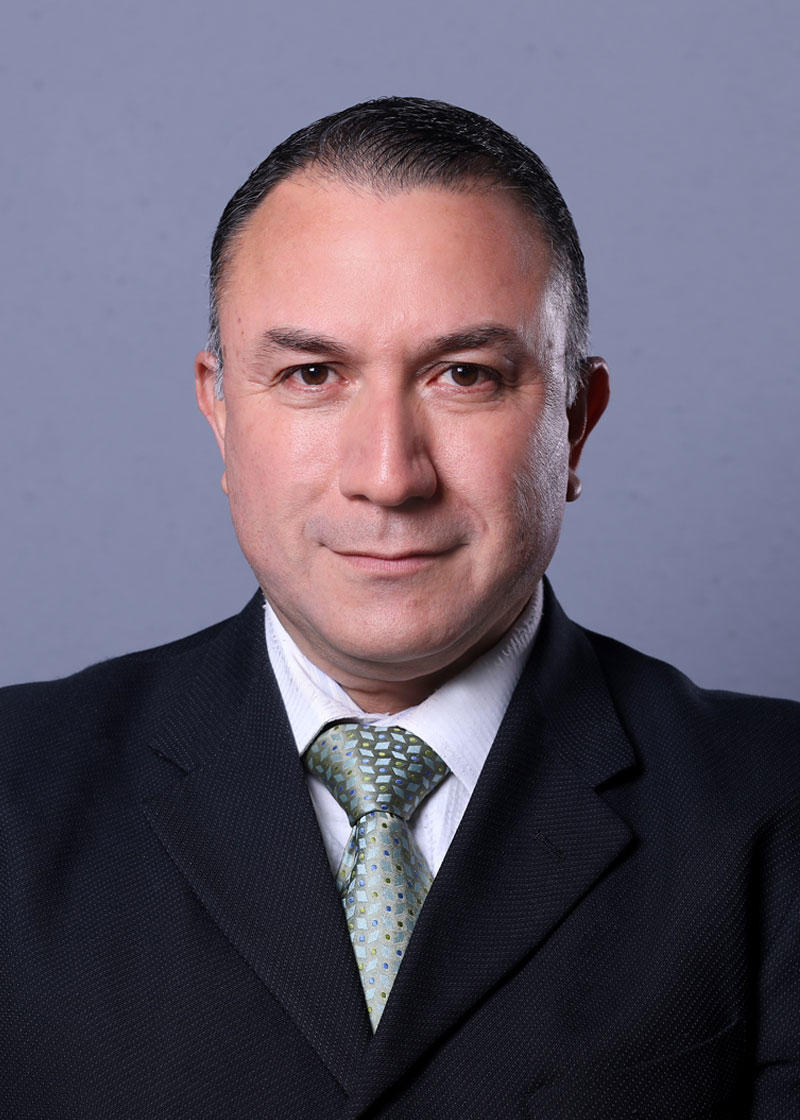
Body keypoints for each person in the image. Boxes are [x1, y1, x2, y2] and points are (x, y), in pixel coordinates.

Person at [1, 97, 798, 1119]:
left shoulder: (774, 810)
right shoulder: (15, 791)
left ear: (574, 421)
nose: (388, 475)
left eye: (464, 375)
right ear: (221, 411)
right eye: (312, 374)